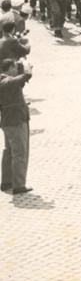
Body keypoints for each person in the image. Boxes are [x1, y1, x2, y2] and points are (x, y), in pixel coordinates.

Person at [0, 56, 33, 194]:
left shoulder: (3, 81)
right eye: (15, 67)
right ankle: (18, 185)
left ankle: (6, 182)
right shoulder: (8, 81)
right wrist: (25, 63)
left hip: (7, 121)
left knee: (8, 152)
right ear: (10, 68)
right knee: (20, 153)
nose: (16, 69)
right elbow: (26, 75)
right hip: (16, 121)